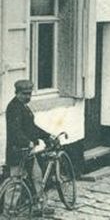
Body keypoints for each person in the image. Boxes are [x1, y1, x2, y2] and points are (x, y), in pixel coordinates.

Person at [5, 80, 54, 217]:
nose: (28, 96)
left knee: (37, 177)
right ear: (17, 93)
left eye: (30, 93)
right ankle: (9, 210)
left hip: (28, 150)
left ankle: (40, 206)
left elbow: (31, 127)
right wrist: (27, 142)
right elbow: (15, 131)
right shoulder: (14, 107)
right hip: (17, 151)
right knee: (16, 182)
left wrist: (46, 136)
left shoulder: (24, 106)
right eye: (25, 94)